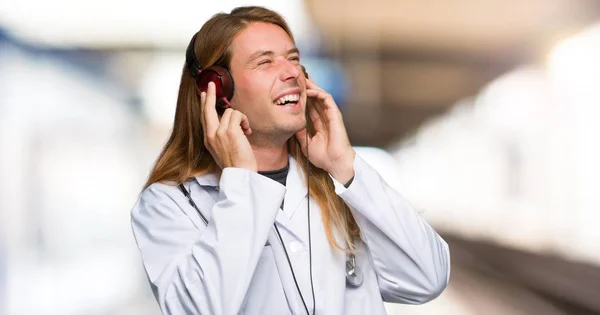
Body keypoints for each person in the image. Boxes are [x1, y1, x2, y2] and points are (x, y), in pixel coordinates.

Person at [131, 6, 450, 315]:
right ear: (217, 89)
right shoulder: (170, 204)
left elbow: (427, 278)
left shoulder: (337, 187)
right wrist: (241, 184)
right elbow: (199, 309)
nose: (291, 72)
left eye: (294, 58)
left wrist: (346, 166)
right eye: (265, 62)